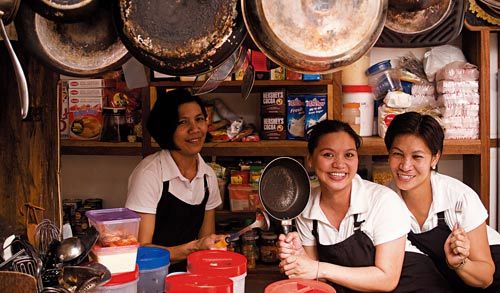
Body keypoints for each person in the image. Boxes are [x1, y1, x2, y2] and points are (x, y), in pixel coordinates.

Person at [278, 119, 451, 293]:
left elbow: (387, 279)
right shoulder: (306, 208)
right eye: (328, 155)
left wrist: (317, 268)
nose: (339, 164)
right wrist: (298, 260)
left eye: (349, 155)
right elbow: (316, 279)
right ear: (310, 160)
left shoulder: (382, 201)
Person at [384, 111, 500, 292]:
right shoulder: (384, 201)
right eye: (398, 154)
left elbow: (486, 278)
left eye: (417, 157)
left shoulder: (459, 198)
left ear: (435, 158)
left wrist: (459, 262)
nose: (405, 166)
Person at [125, 88, 225, 272]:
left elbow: (207, 242)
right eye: (183, 122)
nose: (195, 129)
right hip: (150, 276)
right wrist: (194, 248)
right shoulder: (149, 174)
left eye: (199, 119)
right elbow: (141, 250)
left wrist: (212, 246)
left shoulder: (208, 177)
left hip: (190, 275)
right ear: (167, 128)